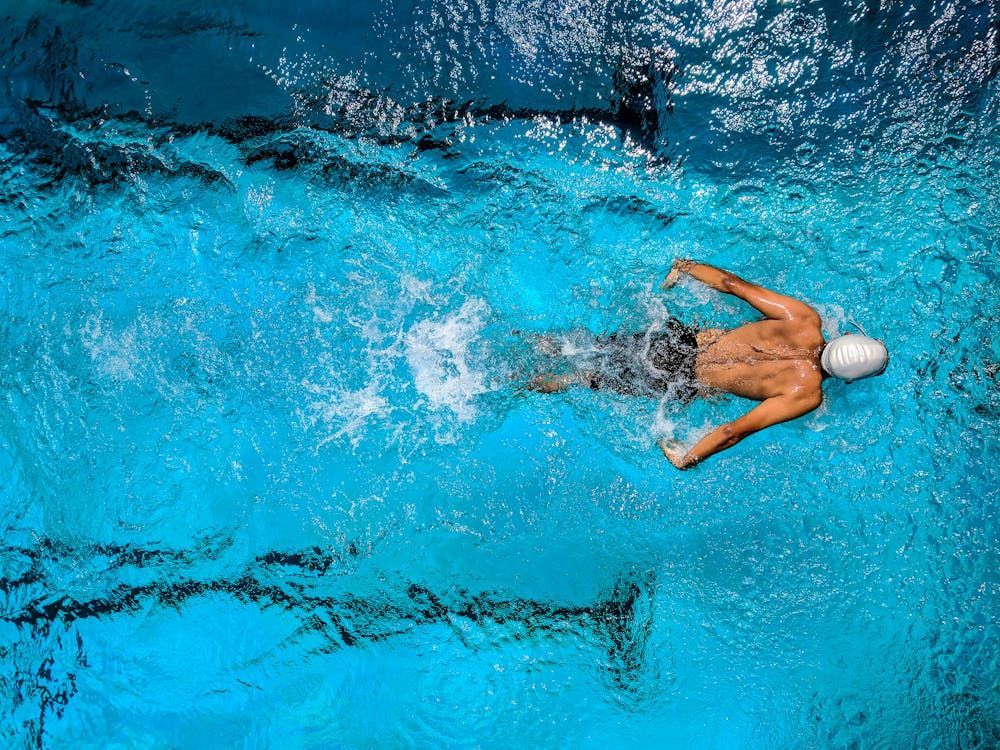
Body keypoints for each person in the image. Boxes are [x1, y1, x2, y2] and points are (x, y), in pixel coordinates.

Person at [531, 259, 888, 469]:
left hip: (677, 341)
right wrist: (689, 458)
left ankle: (530, 339)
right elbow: (735, 430)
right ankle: (520, 383)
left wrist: (685, 267)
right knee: (583, 379)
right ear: (849, 379)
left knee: (584, 346)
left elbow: (733, 285)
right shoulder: (806, 394)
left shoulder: (804, 319)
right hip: (680, 379)